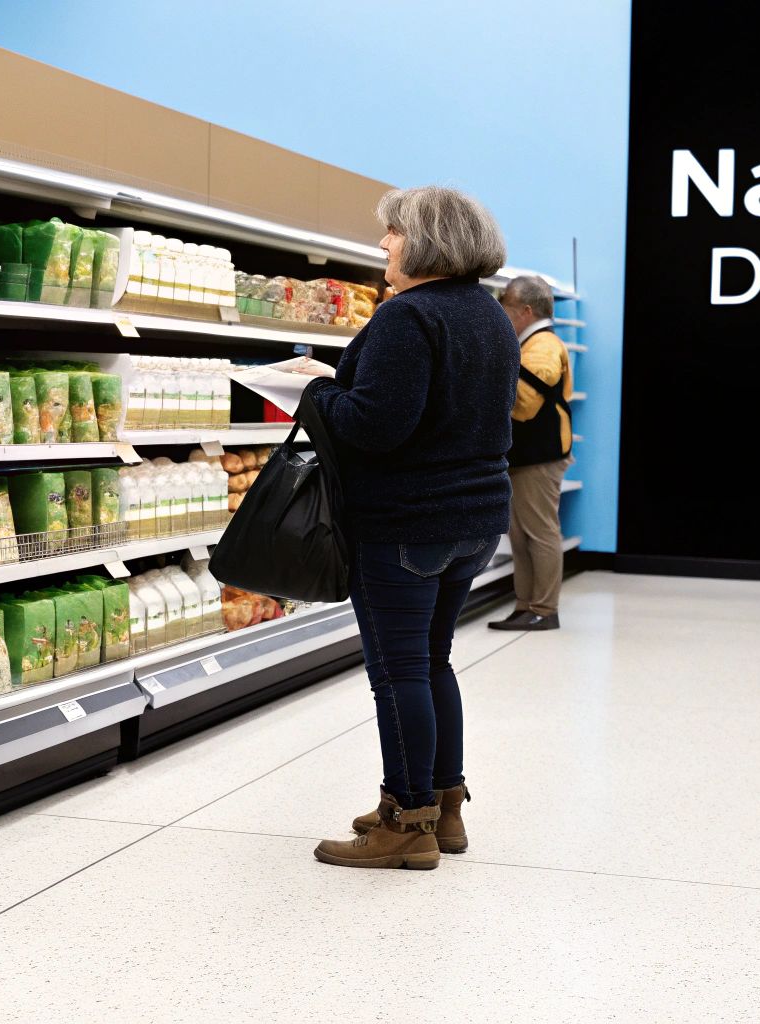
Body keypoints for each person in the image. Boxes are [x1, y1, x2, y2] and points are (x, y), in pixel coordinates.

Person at [297, 186, 517, 870]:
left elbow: (376, 426)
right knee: (432, 661)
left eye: (391, 232)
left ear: (423, 240)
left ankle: (406, 823)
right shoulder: (488, 315)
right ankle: (443, 806)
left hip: (406, 524)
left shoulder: (407, 318)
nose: (383, 244)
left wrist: (316, 391)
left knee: (397, 675)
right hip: (473, 519)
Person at [491, 275, 574, 631]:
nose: (502, 313)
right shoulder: (533, 344)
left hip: (541, 456)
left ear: (525, 310)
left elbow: (523, 405)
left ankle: (544, 608)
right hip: (528, 455)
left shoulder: (543, 345)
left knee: (539, 532)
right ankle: (527, 605)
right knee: (521, 534)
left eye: (506, 306)